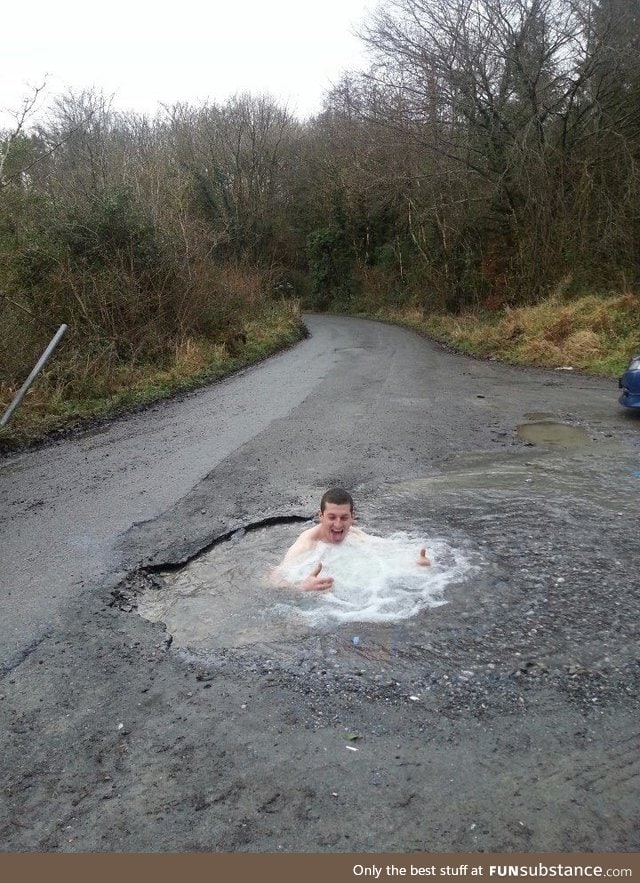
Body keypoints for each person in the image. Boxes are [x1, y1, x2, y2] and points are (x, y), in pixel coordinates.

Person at [274, 487, 431, 592]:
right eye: (331, 517)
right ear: (320, 516)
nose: (338, 524)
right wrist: (302, 587)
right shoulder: (306, 545)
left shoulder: (354, 535)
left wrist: (415, 563)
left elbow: (387, 552)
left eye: (344, 517)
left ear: (352, 517)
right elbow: (271, 581)